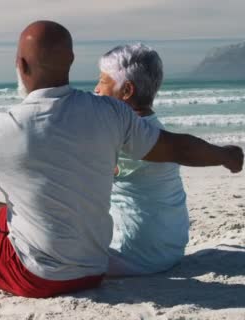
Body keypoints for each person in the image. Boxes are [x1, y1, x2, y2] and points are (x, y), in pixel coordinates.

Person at [0, 21, 244, 320]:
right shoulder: (110, 113)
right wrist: (224, 154)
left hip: (40, 278)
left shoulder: (2, 128)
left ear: (21, 65)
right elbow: (175, 146)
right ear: (70, 63)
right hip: (94, 268)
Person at [94, 44, 189, 275]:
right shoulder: (154, 128)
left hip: (132, 252)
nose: (96, 90)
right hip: (170, 248)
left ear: (126, 91)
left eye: (102, 81)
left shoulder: (127, 140)